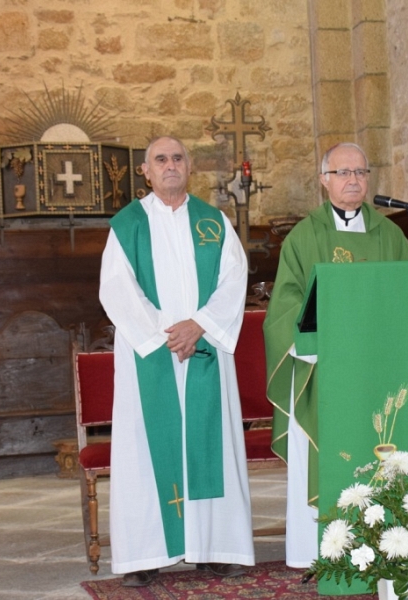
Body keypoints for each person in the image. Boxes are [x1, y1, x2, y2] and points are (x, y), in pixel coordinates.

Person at [99, 136, 254, 587]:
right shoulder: (127, 225)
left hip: (203, 348)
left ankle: (214, 546)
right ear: (145, 171)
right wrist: (163, 337)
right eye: (161, 159)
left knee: (209, 444)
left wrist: (200, 325)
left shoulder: (214, 222)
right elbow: (116, 287)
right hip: (152, 355)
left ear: (190, 167)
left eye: (178, 158)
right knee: (146, 449)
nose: (170, 165)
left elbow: (233, 281)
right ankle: (145, 553)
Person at [263, 142, 408, 568]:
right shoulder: (304, 236)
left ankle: (384, 546)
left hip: (377, 370)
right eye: (343, 172)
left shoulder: (389, 234)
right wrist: (313, 346)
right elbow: (285, 306)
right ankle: (318, 552)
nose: (353, 180)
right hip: (325, 372)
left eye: (361, 172)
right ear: (324, 181)